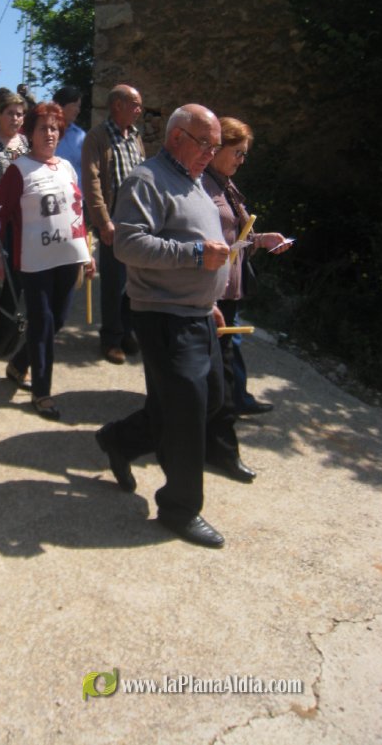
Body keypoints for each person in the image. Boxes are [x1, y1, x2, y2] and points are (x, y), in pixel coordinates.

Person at [95, 104, 232, 549]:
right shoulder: (147, 180)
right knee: (188, 413)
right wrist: (195, 257)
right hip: (163, 316)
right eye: (206, 143)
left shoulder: (195, 182)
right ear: (178, 138)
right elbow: (128, 243)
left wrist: (208, 299)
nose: (212, 152)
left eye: (215, 146)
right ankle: (179, 508)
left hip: (196, 313)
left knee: (208, 399)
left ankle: (120, 439)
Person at [0, 102, 94, 420]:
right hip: (33, 262)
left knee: (58, 321)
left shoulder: (66, 166)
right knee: (42, 322)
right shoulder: (18, 169)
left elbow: (77, 212)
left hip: (68, 258)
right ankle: (42, 391)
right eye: (43, 128)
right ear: (31, 132)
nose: (49, 133)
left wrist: (87, 253)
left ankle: (18, 364)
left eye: (54, 128)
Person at [202, 117, 293, 463]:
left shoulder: (226, 184)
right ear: (216, 149)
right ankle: (220, 448)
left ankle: (211, 438)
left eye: (244, 154)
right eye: (236, 152)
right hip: (213, 293)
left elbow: (236, 240)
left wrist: (262, 240)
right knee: (216, 374)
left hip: (227, 292)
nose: (241, 159)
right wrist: (206, 297)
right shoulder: (205, 188)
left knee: (218, 371)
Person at [81, 84, 145, 364]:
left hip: (137, 223)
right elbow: (92, 180)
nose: (140, 110)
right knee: (113, 282)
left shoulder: (136, 137)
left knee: (134, 281)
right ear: (117, 105)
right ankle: (111, 339)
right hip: (113, 223)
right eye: (135, 104)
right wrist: (103, 221)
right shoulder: (97, 136)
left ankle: (127, 330)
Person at [52, 85, 85, 187]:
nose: (78, 110)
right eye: (75, 105)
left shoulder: (81, 135)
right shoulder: (45, 132)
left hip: (76, 197)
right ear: (62, 105)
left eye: (79, 106)